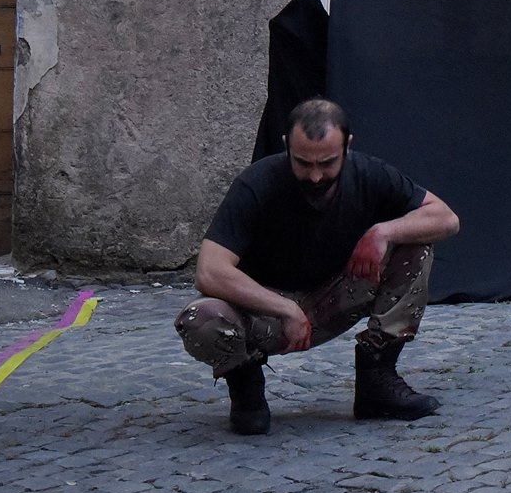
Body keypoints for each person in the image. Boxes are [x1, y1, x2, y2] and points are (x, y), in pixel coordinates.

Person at [174, 97, 461, 434]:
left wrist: (383, 232)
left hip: (335, 298)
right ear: (286, 145)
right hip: (265, 314)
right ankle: (246, 388)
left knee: (414, 243)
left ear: (347, 146)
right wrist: (284, 308)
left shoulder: (370, 174)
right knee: (200, 319)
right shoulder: (256, 183)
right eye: (302, 163)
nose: (314, 176)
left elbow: (446, 218)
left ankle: (377, 379)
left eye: (327, 163)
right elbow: (209, 270)